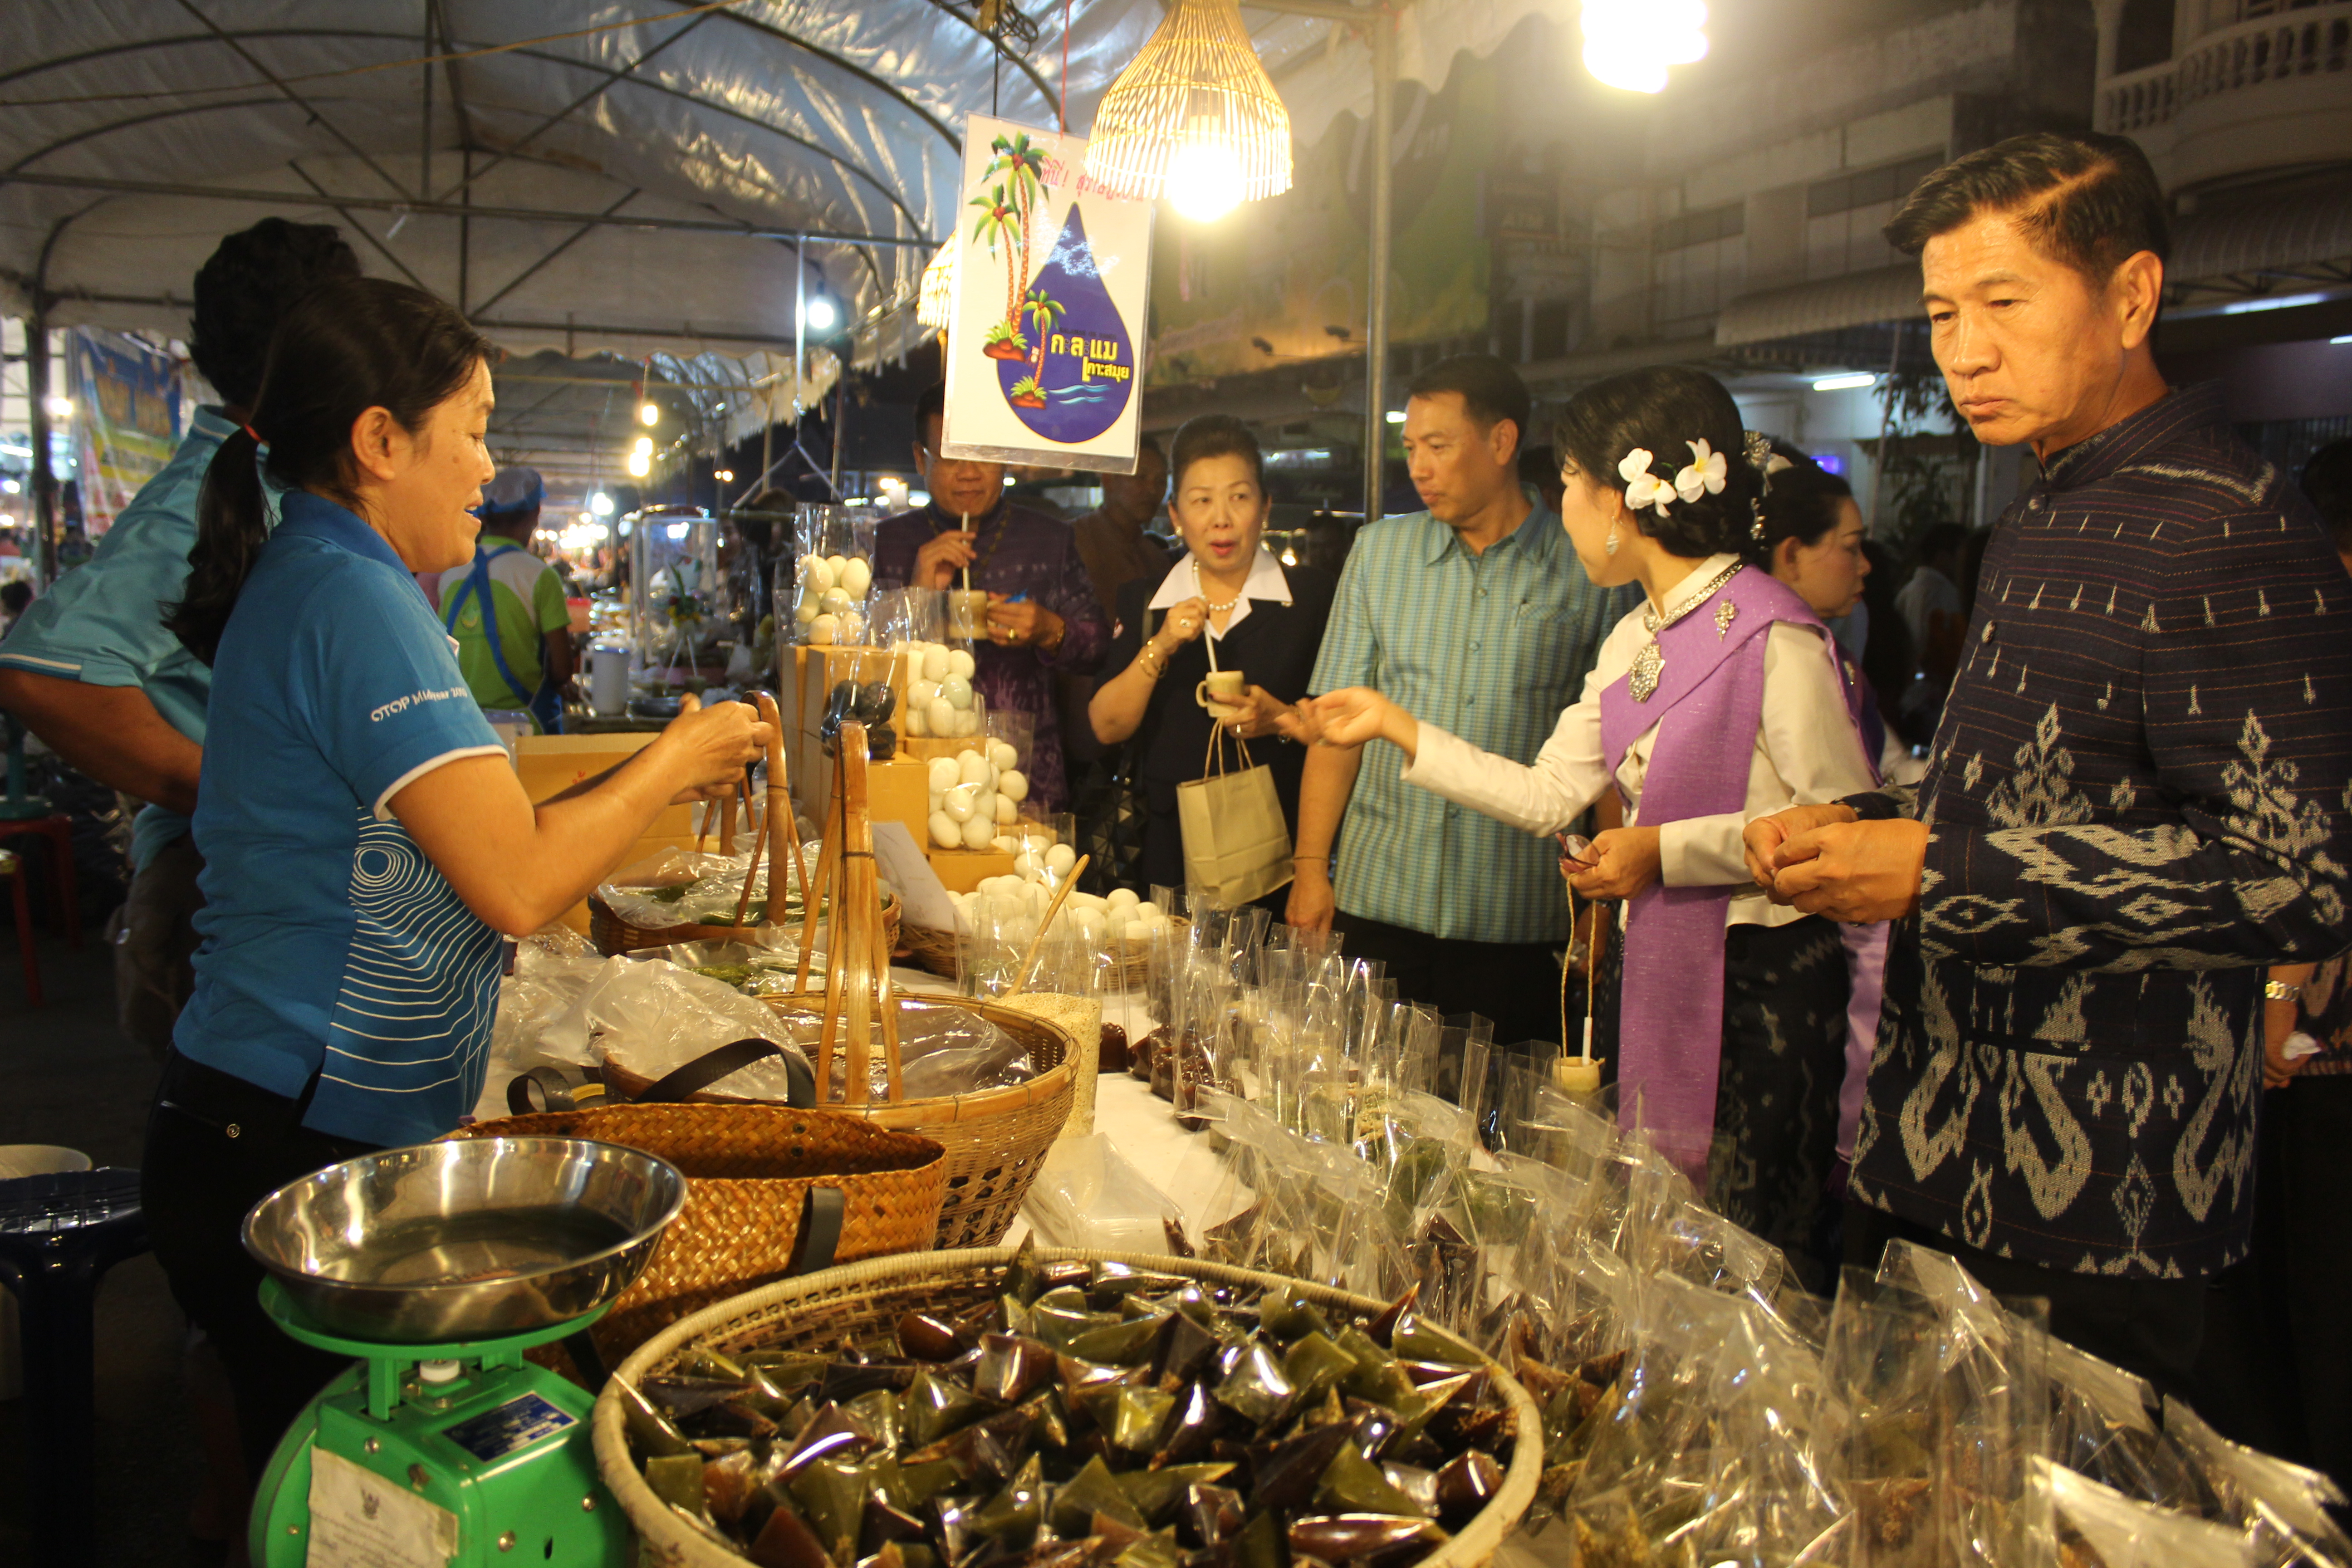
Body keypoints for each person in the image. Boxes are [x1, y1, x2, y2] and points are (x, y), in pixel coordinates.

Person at [1744, 131, 2352, 1394]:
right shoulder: (2040, 512)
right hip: (1931, 1139)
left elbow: (2295, 881)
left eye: (2004, 304)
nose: (1965, 350)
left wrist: (1937, 872)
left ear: (2130, 296)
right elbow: (2027, 796)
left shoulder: (2234, 525)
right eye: (1943, 313)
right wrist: (1859, 825)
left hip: (2105, 1203)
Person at [141, 276, 770, 1485]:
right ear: (381, 441)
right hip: (280, 1131)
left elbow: (470, 835)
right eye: (474, 429)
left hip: (272, 1114)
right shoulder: (349, 595)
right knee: (354, 1505)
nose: (489, 468)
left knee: (329, 1484)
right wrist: (679, 759)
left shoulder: (336, 578)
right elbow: (516, 882)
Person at [1313, 366, 1875, 1280]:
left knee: (1743, 1258)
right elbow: (1545, 793)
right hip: (1656, 970)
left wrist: (1664, 852)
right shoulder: (1636, 639)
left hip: (1759, 996)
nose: (1560, 505)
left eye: (1569, 483)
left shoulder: (1778, 637)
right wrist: (1395, 724)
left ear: (1620, 500)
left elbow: (1841, 833)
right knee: (1652, 1245)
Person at [0, 218, 363, 1059]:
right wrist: (225, 786)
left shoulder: (276, 482)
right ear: (321, 351)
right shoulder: (211, 497)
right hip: (220, 886)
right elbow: (42, 672)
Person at [1291, 354, 1635, 1049]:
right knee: (1362, 1105)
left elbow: (1613, 759)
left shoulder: (1591, 569)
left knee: (1497, 1132)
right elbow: (1337, 732)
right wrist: (1309, 872)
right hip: (1381, 894)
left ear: (1502, 442)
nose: (1418, 467)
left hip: (1520, 912)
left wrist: (1601, 910)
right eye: (1410, 447)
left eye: (1438, 447)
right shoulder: (1378, 554)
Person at [1087, 416, 1335, 897]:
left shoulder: (1312, 600)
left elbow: (1341, 729)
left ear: (1264, 508)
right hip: (1166, 851)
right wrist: (1161, 643)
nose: (1221, 518)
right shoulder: (1146, 600)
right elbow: (1106, 726)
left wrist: (1280, 718)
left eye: (1239, 497)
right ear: (1176, 515)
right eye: (1201, 500)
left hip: (1281, 855)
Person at [872, 384, 1108, 810]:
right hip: (917, 773)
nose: (969, 472)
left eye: (983, 454)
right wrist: (918, 593)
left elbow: (1098, 647)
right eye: (951, 456)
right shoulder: (888, 543)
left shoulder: (1048, 540)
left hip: (1025, 776)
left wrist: (1049, 630)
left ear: (1004, 456)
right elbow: (860, 669)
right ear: (920, 459)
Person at [436, 464, 575, 731]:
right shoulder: (539, 575)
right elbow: (561, 669)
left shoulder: (451, 574)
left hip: (465, 723)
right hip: (527, 725)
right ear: (536, 514)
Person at [1071, 434, 1173, 624]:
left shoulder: (1156, 558)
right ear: (1109, 479)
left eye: (1160, 481)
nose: (1152, 490)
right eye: (1140, 477)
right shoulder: (1072, 542)